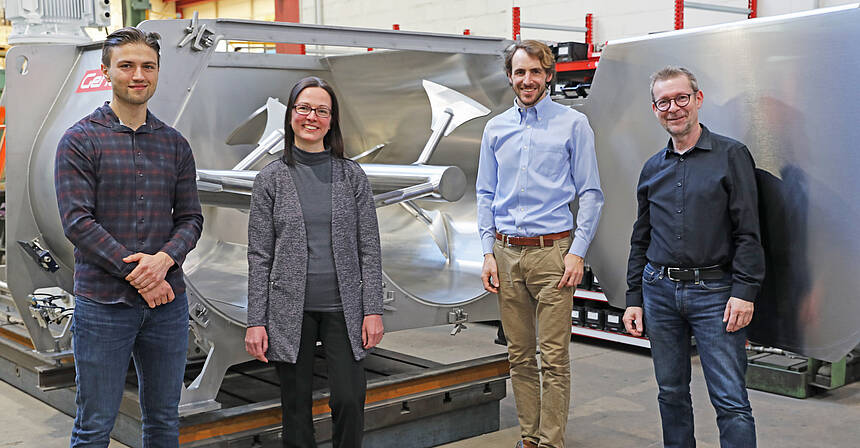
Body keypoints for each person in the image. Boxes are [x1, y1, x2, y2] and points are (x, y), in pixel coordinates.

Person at [55, 27, 204, 447]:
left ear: (157, 72)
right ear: (106, 72)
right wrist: (142, 276)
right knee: (94, 426)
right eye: (127, 66)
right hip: (104, 306)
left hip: (166, 307)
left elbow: (191, 218)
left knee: (163, 422)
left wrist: (163, 262)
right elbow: (78, 222)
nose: (138, 75)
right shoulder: (79, 141)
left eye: (148, 66)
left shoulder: (174, 144)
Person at [622, 66, 764, 448]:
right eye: (664, 102)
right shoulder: (652, 169)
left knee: (731, 400)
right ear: (655, 109)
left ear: (698, 99)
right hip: (659, 292)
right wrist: (634, 298)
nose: (674, 108)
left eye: (681, 98)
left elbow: (749, 231)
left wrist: (745, 291)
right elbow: (641, 237)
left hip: (715, 294)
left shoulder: (732, 156)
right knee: (670, 393)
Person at [476, 40, 604, 448]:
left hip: (553, 255)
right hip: (505, 252)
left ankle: (550, 441)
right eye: (520, 72)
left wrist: (577, 252)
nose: (527, 79)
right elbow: (485, 193)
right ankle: (529, 438)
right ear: (510, 77)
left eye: (535, 71)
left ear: (549, 75)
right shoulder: (496, 128)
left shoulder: (573, 124)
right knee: (518, 355)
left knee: (554, 358)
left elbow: (591, 193)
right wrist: (487, 252)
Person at [244, 76, 384, 448]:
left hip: (344, 308)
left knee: (349, 399)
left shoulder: (351, 176)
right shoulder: (270, 179)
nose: (312, 117)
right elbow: (259, 256)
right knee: (295, 407)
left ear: (332, 120)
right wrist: (256, 320)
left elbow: (369, 249)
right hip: (289, 310)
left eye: (322, 111)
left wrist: (373, 309)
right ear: (291, 114)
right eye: (304, 108)